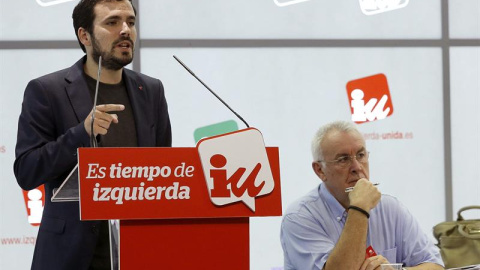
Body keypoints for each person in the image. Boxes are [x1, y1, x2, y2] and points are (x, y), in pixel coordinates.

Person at [13, 0, 171, 269]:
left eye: (130, 22)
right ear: (84, 35)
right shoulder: (47, 91)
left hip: (139, 251)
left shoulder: (151, 91)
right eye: (112, 22)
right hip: (69, 256)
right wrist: (80, 133)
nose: (125, 30)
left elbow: (163, 172)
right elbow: (27, 171)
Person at [280, 121, 444, 270]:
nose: (357, 167)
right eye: (343, 159)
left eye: (360, 155)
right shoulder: (300, 217)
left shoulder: (390, 208)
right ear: (320, 170)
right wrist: (359, 208)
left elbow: (435, 266)